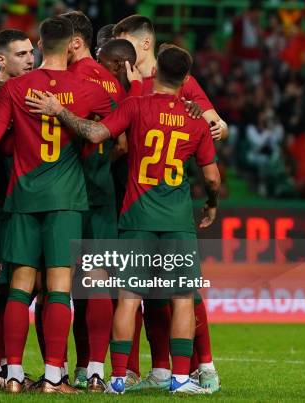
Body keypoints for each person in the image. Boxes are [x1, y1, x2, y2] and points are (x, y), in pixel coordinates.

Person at [25, 43, 221, 395]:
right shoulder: (195, 117)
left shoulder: (136, 106)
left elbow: (96, 133)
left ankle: (117, 378)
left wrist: (59, 111)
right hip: (177, 220)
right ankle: (179, 378)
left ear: (156, 71)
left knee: (129, 297)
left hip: (135, 217)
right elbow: (212, 178)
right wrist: (210, 204)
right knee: (181, 298)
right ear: (186, 79)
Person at [0, 15, 114, 394]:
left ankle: (15, 376)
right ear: (71, 44)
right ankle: (54, 378)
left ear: (39, 46)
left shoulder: (16, 88)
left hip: (21, 198)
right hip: (67, 200)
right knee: (58, 288)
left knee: (19, 288)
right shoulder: (87, 88)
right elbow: (120, 118)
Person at [114, 15, 223, 392]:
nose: (119, 48)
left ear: (145, 45)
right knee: (150, 294)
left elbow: (217, 125)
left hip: (157, 199)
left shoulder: (182, 82)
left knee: (180, 293)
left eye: (123, 40)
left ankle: (204, 365)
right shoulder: (124, 82)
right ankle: (161, 369)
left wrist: (201, 119)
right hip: (130, 195)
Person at [61, 11, 142, 392]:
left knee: (59, 286)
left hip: (62, 193)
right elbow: (123, 143)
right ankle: (95, 369)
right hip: (103, 192)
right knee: (98, 283)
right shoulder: (113, 85)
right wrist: (98, 161)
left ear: (73, 42)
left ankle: (57, 370)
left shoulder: (66, 78)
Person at [0, 28, 35, 389]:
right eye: (22, 54)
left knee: (11, 287)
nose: (31, 59)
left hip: (16, 204)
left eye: (32, 52)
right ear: (1, 60)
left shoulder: (22, 91)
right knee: (0, 289)